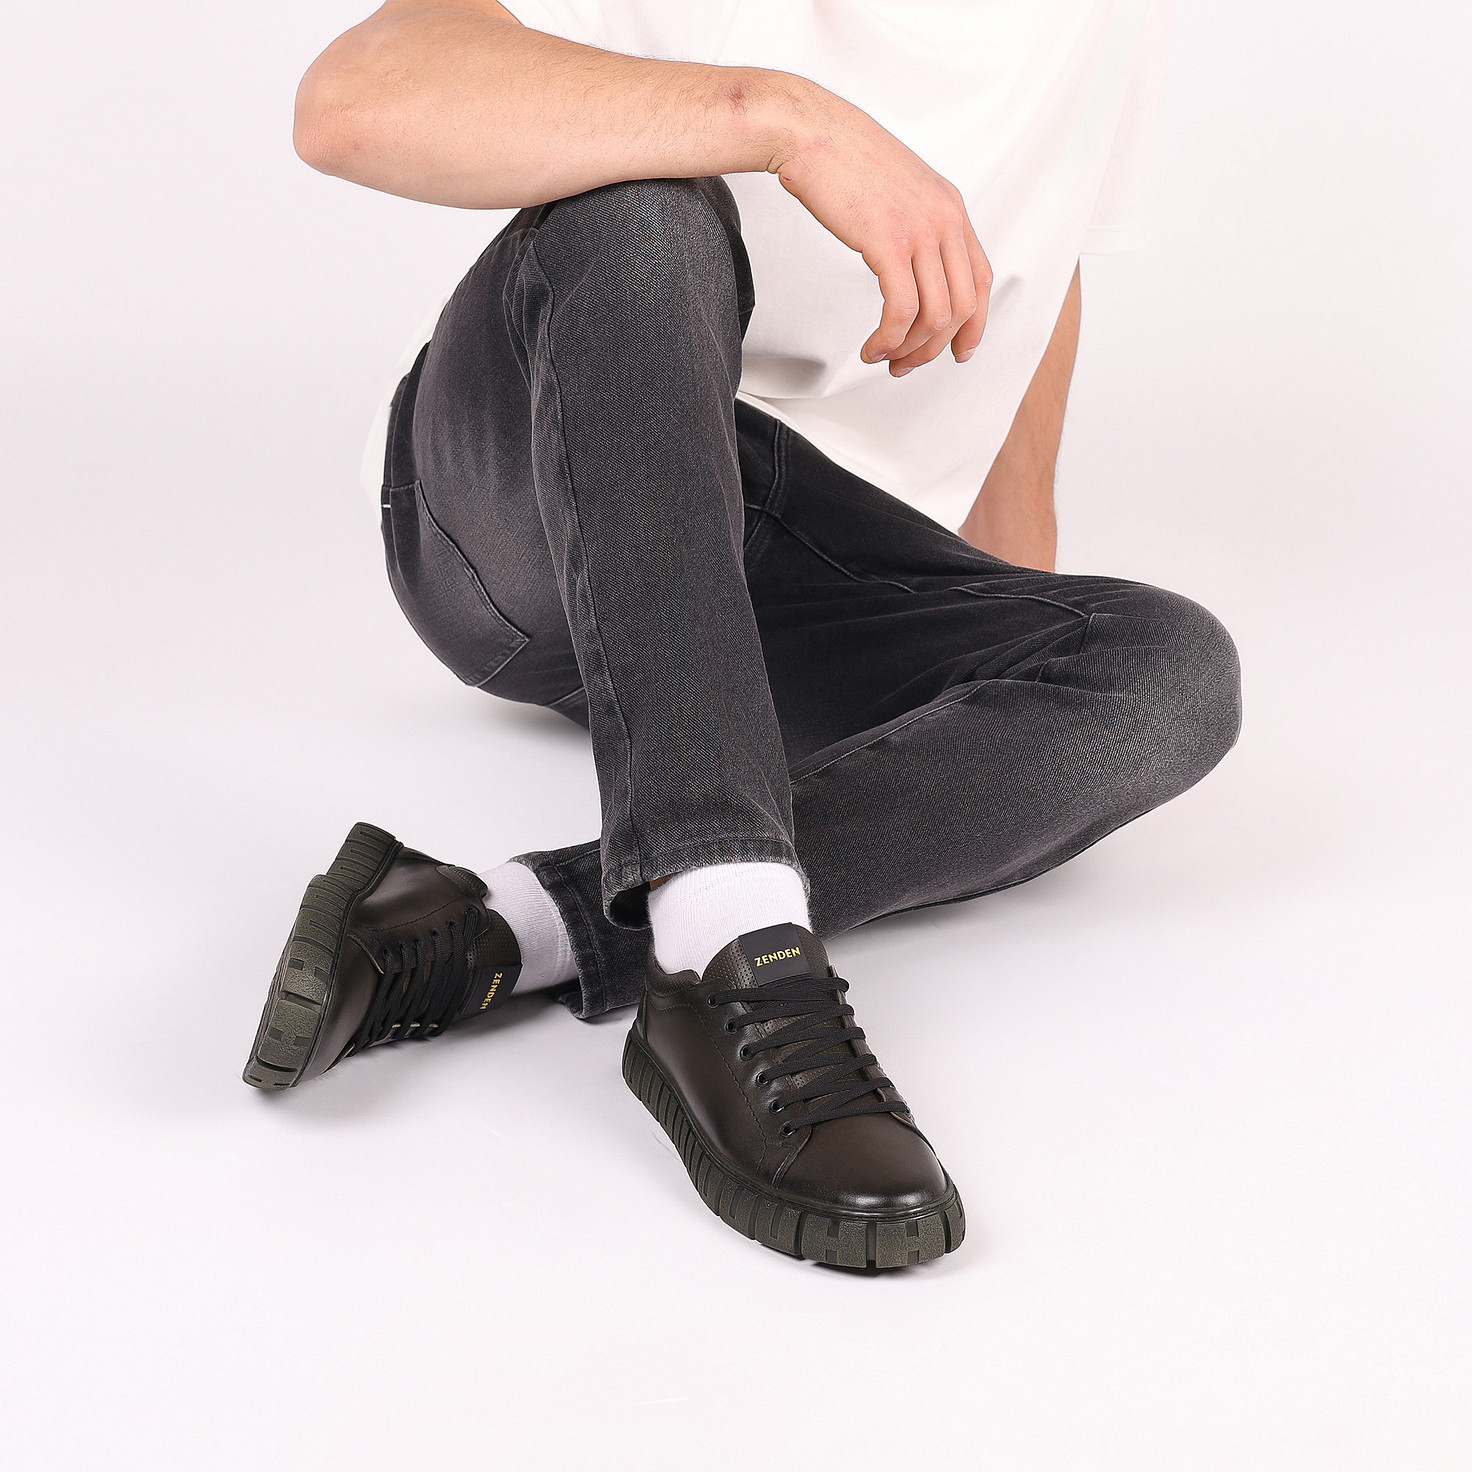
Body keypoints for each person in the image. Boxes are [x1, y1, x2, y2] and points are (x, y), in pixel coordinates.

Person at [243, 0, 1241, 1271]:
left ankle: (513, 922)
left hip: (797, 561)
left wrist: (999, 676)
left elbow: (1045, 251)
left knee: (1166, 674)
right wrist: (778, 118)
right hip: (535, 493)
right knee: (645, 207)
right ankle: (733, 954)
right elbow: (352, 98)